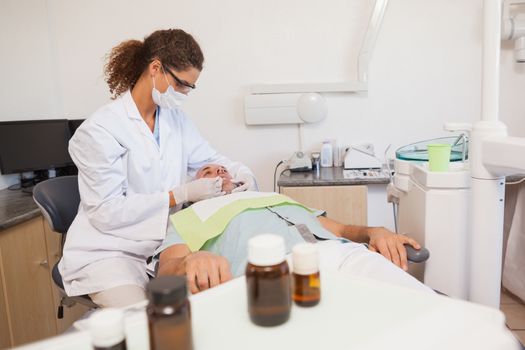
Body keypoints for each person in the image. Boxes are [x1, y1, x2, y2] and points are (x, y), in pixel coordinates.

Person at [59, 29, 256, 308]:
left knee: (208, 306)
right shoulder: (100, 130)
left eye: (191, 87)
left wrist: (242, 174)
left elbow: (210, 158)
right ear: (155, 69)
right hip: (111, 252)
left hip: (162, 247)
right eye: (182, 84)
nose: (185, 93)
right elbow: (107, 211)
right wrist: (181, 194)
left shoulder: (175, 120)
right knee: (144, 321)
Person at [157, 164, 432, 295]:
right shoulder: (190, 215)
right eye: (207, 173)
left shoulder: (273, 198)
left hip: (344, 257)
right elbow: (167, 269)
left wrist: (376, 231)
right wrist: (190, 261)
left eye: (222, 170)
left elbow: (342, 228)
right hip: (271, 276)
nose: (219, 173)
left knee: (426, 310)